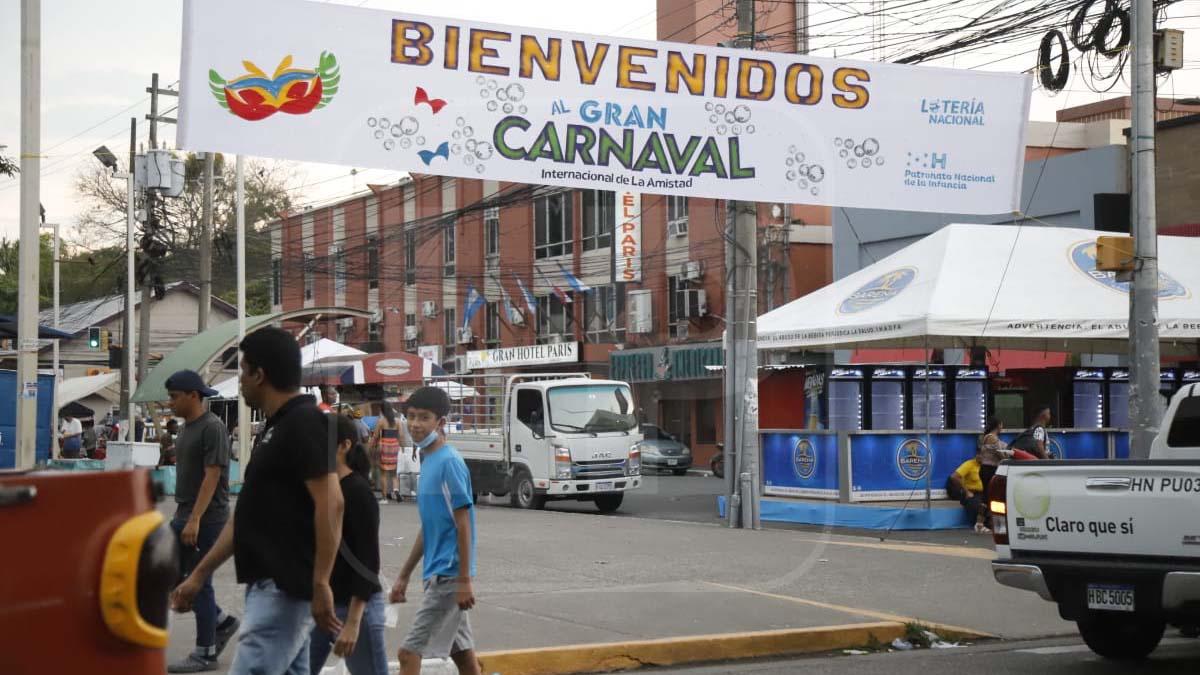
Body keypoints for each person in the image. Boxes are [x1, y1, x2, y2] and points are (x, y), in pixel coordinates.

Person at [172, 326, 344, 675]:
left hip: (284, 589)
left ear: (259, 374)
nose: (239, 382)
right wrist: (199, 574)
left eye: (242, 372)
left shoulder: (303, 423)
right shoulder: (275, 429)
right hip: (270, 585)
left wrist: (322, 581)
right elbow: (249, 517)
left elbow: (332, 503)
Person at [389, 386, 480, 675]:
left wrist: (464, 579)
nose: (415, 424)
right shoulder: (428, 460)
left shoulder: (449, 462)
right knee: (463, 655)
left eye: (424, 417)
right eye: (411, 416)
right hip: (438, 572)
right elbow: (430, 526)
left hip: (449, 575)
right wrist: (404, 574)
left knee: (408, 653)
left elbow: (463, 523)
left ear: (440, 422)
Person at [164, 370, 239, 673]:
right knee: (173, 574)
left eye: (174, 397)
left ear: (193, 396)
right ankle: (221, 621)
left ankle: (206, 652)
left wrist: (195, 519)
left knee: (199, 582)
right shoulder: (186, 428)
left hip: (206, 518)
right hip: (184, 512)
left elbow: (213, 475)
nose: (170, 403)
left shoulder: (212, 427)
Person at [308, 415, 388, 675]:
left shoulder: (357, 492)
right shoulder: (323, 488)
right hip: (322, 604)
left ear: (343, 446)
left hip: (355, 608)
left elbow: (368, 562)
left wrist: (353, 623)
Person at [947, 452, 989, 533]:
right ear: (977, 455)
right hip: (972, 492)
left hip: (985, 493)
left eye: (985, 456)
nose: (984, 458)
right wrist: (966, 491)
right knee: (977, 504)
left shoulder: (987, 466)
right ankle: (980, 525)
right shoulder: (969, 464)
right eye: (982, 456)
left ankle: (987, 524)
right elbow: (954, 477)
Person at [371, 401, 403, 503]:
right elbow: (401, 436)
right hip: (394, 446)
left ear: (382, 410)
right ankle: (396, 491)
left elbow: (375, 436)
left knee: (383, 474)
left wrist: (372, 446)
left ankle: (384, 498)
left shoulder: (381, 421)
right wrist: (401, 447)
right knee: (394, 473)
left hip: (384, 446)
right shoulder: (398, 421)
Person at [977, 417, 1013, 494]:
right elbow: (1000, 454)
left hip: (990, 469)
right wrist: (1008, 458)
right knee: (990, 494)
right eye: (1001, 425)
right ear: (998, 425)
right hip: (989, 469)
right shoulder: (991, 438)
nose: (1002, 427)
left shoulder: (993, 438)